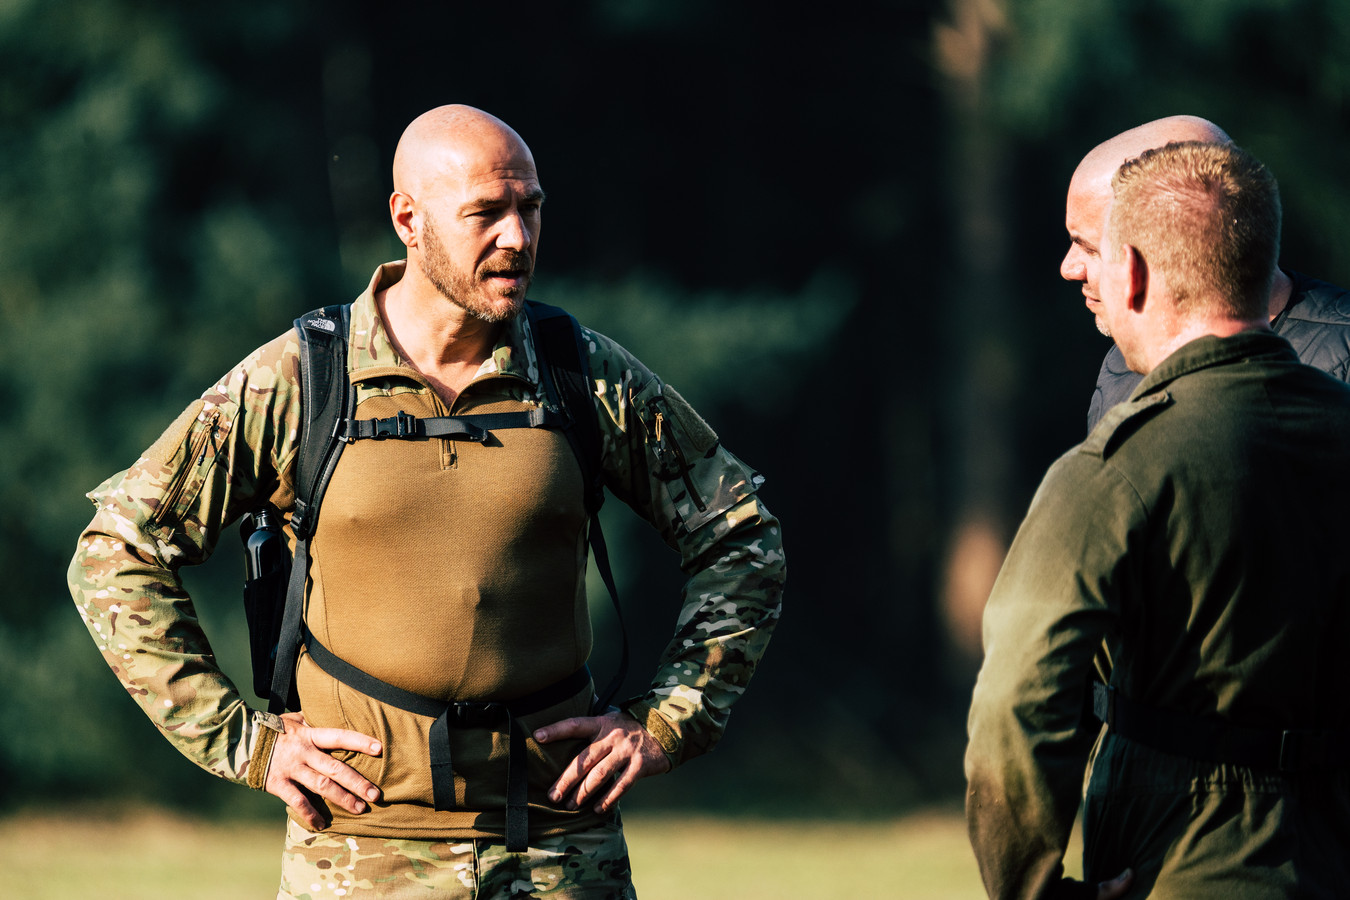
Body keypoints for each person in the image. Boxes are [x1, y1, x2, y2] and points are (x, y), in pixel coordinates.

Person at [68, 104, 785, 898]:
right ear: (408, 220)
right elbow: (117, 553)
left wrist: (670, 718)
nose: (517, 236)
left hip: (559, 850)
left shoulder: (583, 376)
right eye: (486, 213)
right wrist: (245, 744)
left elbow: (741, 538)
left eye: (531, 208)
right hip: (358, 850)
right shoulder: (304, 379)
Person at [966, 140, 1350, 898]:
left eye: (1091, 252)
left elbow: (1016, 707)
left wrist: (1034, 891)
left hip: (1184, 864)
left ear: (1134, 271)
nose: (1076, 272)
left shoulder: (1116, 468)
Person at [1059, 115, 1350, 432]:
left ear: (1178, 237)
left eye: (1089, 247)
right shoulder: (1124, 364)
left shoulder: (1341, 362)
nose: (1068, 268)